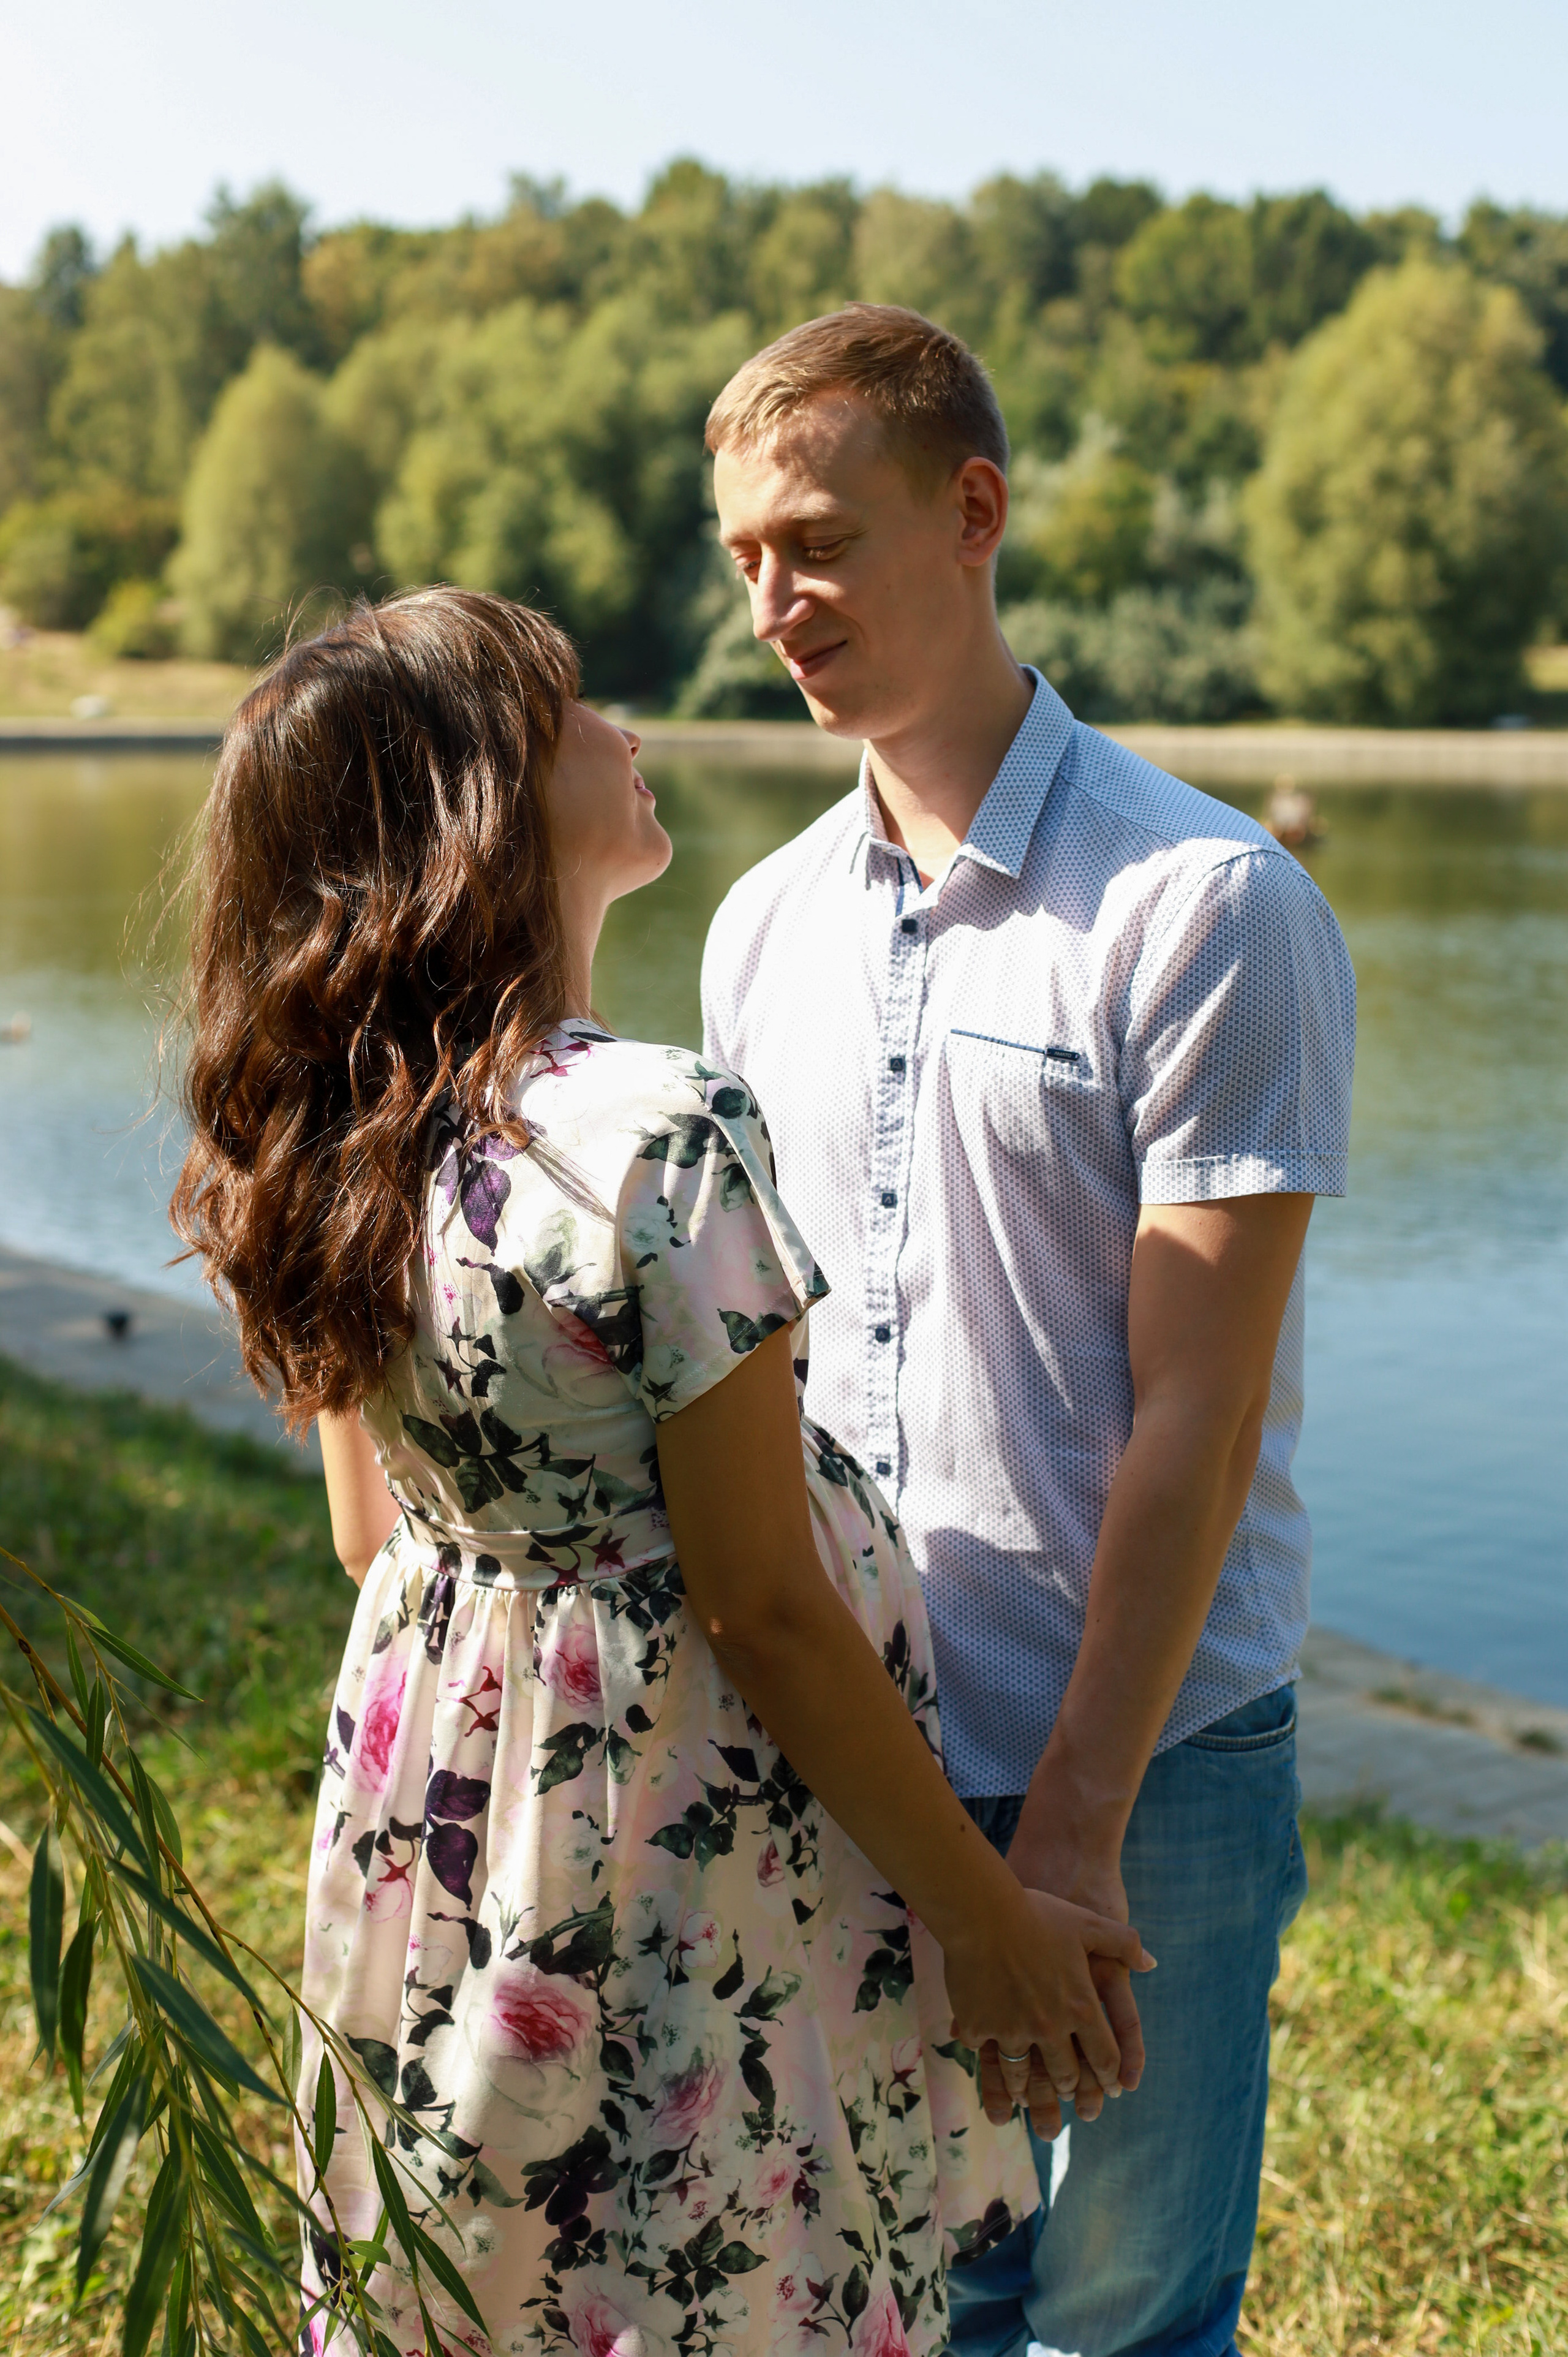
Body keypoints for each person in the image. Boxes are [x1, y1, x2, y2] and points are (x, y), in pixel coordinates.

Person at [170, 588, 1153, 2357]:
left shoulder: (338, 1125)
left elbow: (364, 1530)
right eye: (569, 712)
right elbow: (761, 1604)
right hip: (678, 1822)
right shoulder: (658, 1135)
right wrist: (985, 1918)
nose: (626, 727)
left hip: (450, 1796)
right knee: (709, 2261)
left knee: (507, 2260)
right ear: (484, 805)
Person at [699, 306, 1357, 2357]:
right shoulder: (756, 931)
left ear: (972, 510)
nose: (773, 603)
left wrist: (1067, 1824)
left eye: (813, 540)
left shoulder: (1206, 903)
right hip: (857, 1754)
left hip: (1151, 1765)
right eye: (742, 558)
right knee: (881, 2303)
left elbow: (1202, 1413)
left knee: (1122, 2327)